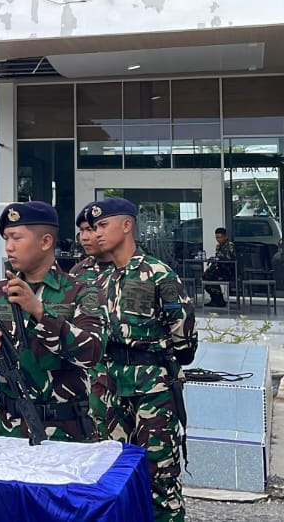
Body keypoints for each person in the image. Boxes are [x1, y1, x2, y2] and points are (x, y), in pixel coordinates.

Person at [90, 198, 198, 522]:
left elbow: (184, 338)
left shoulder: (158, 274)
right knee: (112, 474)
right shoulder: (103, 280)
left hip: (153, 390)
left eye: (103, 225)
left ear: (127, 226)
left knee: (160, 477)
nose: (97, 233)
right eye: (94, 227)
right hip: (111, 388)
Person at [0, 201, 105, 442]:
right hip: (9, 430)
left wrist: (40, 312)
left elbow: (92, 353)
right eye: (6, 238)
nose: (9, 247)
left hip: (65, 432)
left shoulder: (83, 292)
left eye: (17, 238)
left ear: (45, 242)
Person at [71, 202, 121, 441]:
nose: (86, 237)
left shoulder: (133, 270)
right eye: (82, 231)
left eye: (92, 229)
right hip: (89, 381)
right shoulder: (78, 273)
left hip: (127, 379)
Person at [201, 227, 236, 308]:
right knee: (205, 276)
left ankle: (218, 299)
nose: (218, 239)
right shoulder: (218, 246)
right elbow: (217, 260)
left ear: (225, 237)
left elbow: (227, 259)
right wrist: (209, 268)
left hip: (228, 271)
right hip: (220, 269)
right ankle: (216, 299)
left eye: (220, 237)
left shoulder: (230, 245)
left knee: (210, 277)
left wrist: (216, 259)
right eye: (217, 237)